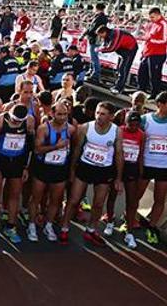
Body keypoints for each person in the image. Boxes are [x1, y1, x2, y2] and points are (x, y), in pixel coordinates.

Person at [60, 101, 124, 246]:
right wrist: (72, 170)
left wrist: (118, 178)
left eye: (103, 114)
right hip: (85, 167)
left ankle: (91, 230)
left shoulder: (116, 131)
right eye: (97, 113)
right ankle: (64, 227)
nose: (99, 116)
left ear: (111, 117)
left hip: (104, 170)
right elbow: (76, 150)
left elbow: (119, 154)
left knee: (98, 203)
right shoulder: (85, 128)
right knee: (74, 200)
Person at [136, 92, 167, 246]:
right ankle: (129, 220)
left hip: (165, 166)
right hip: (146, 164)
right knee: (135, 196)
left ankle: (152, 227)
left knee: (160, 199)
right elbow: (138, 142)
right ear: (160, 105)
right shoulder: (145, 120)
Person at [0, 104, 35, 244]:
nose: (16, 123)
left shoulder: (29, 121)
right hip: (1, 161)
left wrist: (26, 167)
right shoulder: (0, 120)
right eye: (14, 120)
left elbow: (30, 147)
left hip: (17, 162)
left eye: (20, 121)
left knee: (15, 195)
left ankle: (10, 226)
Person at [28, 101, 75, 242]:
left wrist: (71, 170)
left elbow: (74, 150)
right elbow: (37, 149)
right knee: (35, 198)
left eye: (65, 114)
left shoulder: (72, 129)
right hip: (43, 167)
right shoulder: (44, 129)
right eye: (59, 114)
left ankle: (48, 225)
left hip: (60, 168)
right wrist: (56, 146)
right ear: (52, 114)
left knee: (55, 200)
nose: (62, 117)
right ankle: (31, 224)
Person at [117, 111, 145, 249]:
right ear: (125, 123)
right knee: (111, 195)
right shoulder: (119, 131)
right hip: (117, 167)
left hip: (132, 168)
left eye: (136, 125)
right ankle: (109, 221)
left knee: (132, 200)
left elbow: (141, 155)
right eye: (130, 125)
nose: (133, 127)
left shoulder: (141, 135)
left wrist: (140, 172)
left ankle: (129, 231)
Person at [138, 8, 167, 96]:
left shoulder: (164, 24)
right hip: (148, 52)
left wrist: (150, 40)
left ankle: (154, 94)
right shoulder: (153, 24)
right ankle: (141, 92)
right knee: (142, 73)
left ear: (158, 14)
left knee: (154, 76)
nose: (151, 19)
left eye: (152, 17)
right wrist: (143, 50)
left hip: (157, 54)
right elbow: (148, 38)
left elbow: (164, 40)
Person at [96, 25, 138, 95]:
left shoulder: (116, 34)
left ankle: (119, 88)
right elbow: (105, 45)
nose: (100, 37)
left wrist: (100, 50)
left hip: (130, 49)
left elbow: (112, 48)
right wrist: (101, 48)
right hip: (122, 48)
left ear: (104, 32)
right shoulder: (108, 34)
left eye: (101, 35)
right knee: (119, 68)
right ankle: (118, 85)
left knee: (123, 68)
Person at [81, 3, 108, 83]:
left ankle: (95, 74)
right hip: (96, 38)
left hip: (95, 38)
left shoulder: (100, 17)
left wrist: (85, 34)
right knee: (92, 56)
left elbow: (92, 28)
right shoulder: (101, 17)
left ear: (97, 8)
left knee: (94, 57)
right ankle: (91, 70)